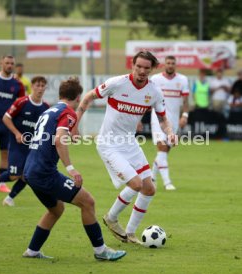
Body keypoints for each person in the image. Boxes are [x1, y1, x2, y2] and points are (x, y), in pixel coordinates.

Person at [0, 77, 126, 260]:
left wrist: (71, 132)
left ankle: (32, 251)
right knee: (88, 202)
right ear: (78, 97)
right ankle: (101, 251)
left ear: (60, 94)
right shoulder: (68, 112)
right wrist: (71, 168)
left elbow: (55, 133)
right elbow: (58, 139)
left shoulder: (49, 110)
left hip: (30, 170)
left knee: (56, 209)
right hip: (44, 172)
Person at [75, 51, 176, 244]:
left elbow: (163, 118)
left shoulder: (154, 91)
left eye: (146, 68)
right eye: (139, 66)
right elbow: (88, 97)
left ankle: (129, 233)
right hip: (108, 143)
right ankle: (111, 218)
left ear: (151, 69)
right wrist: (75, 124)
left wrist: (169, 132)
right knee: (136, 184)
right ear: (133, 65)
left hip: (129, 142)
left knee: (149, 189)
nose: (142, 71)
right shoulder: (117, 83)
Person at [0, 76, 49, 206]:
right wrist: (17, 133)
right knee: (14, 174)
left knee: (28, 174)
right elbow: (6, 118)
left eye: (42, 86)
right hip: (17, 144)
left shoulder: (45, 107)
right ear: (32, 86)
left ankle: (9, 198)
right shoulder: (22, 102)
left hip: (33, 146)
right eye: (37, 85)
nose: (40, 88)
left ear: (45, 88)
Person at [150, 55, 189, 190]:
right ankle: (167, 183)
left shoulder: (183, 80)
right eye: (168, 63)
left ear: (175, 65)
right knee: (161, 148)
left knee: (165, 151)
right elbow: (148, 97)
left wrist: (185, 115)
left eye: (173, 63)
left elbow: (185, 101)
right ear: (164, 64)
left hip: (173, 120)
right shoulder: (155, 79)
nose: (170, 65)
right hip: (157, 118)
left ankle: (152, 178)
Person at [0, 55, 25, 193]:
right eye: (7, 63)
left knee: (5, 153)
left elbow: (22, 104)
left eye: (12, 63)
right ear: (1, 63)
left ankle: (0, 183)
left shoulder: (18, 84)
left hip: (8, 124)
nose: (10, 65)